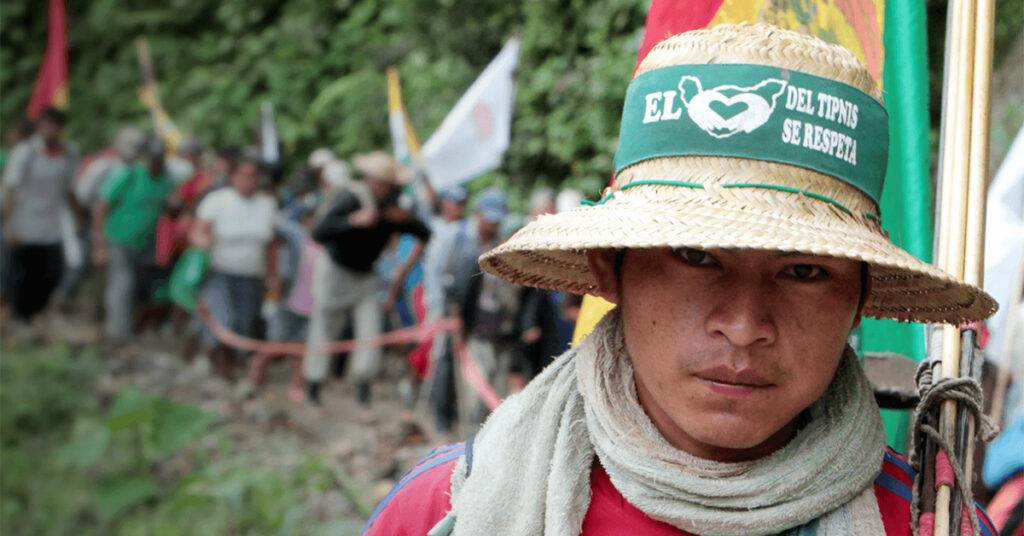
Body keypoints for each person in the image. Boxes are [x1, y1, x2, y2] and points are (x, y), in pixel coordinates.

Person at [363, 24, 999, 536]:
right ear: (611, 268)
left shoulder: (929, 525)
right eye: (697, 256)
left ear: (860, 299)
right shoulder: (448, 511)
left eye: (803, 270)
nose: (745, 325)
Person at [302, 151, 430, 406]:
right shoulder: (351, 199)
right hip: (336, 272)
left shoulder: (394, 209)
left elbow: (424, 233)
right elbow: (319, 233)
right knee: (324, 328)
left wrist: (405, 224)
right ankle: (314, 385)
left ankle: (362, 388)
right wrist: (352, 221)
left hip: (367, 277)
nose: (378, 186)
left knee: (371, 333)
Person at [190, 156, 279, 378]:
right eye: (244, 175)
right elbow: (197, 230)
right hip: (219, 271)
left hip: (251, 275)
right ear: (233, 176)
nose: (248, 181)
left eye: (253, 176)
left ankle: (233, 368)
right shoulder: (218, 200)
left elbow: (272, 245)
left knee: (244, 323)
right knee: (222, 318)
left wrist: (272, 275)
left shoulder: (267, 204)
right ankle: (208, 358)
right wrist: (202, 241)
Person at [2, 107, 79, 333]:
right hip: (24, 224)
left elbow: (70, 188)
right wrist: (10, 224)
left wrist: (77, 215)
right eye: (46, 125)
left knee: (51, 273)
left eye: (55, 126)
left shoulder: (68, 153)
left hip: (52, 225)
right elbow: (11, 188)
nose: (50, 131)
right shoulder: (25, 152)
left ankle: (36, 315)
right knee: (20, 275)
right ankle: (21, 319)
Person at [92, 136, 177, 343]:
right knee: (123, 282)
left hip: (146, 243)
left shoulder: (166, 180)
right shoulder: (127, 174)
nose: (155, 163)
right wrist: (99, 245)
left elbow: (170, 208)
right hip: (118, 237)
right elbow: (101, 206)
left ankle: (132, 326)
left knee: (141, 286)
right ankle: (117, 333)